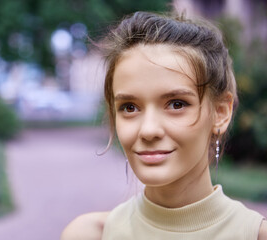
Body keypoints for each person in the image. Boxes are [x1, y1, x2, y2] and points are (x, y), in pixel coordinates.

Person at [61, 11, 267, 240]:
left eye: (176, 104)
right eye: (129, 107)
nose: (148, 130)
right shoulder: (90, 235)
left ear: (220, 112)